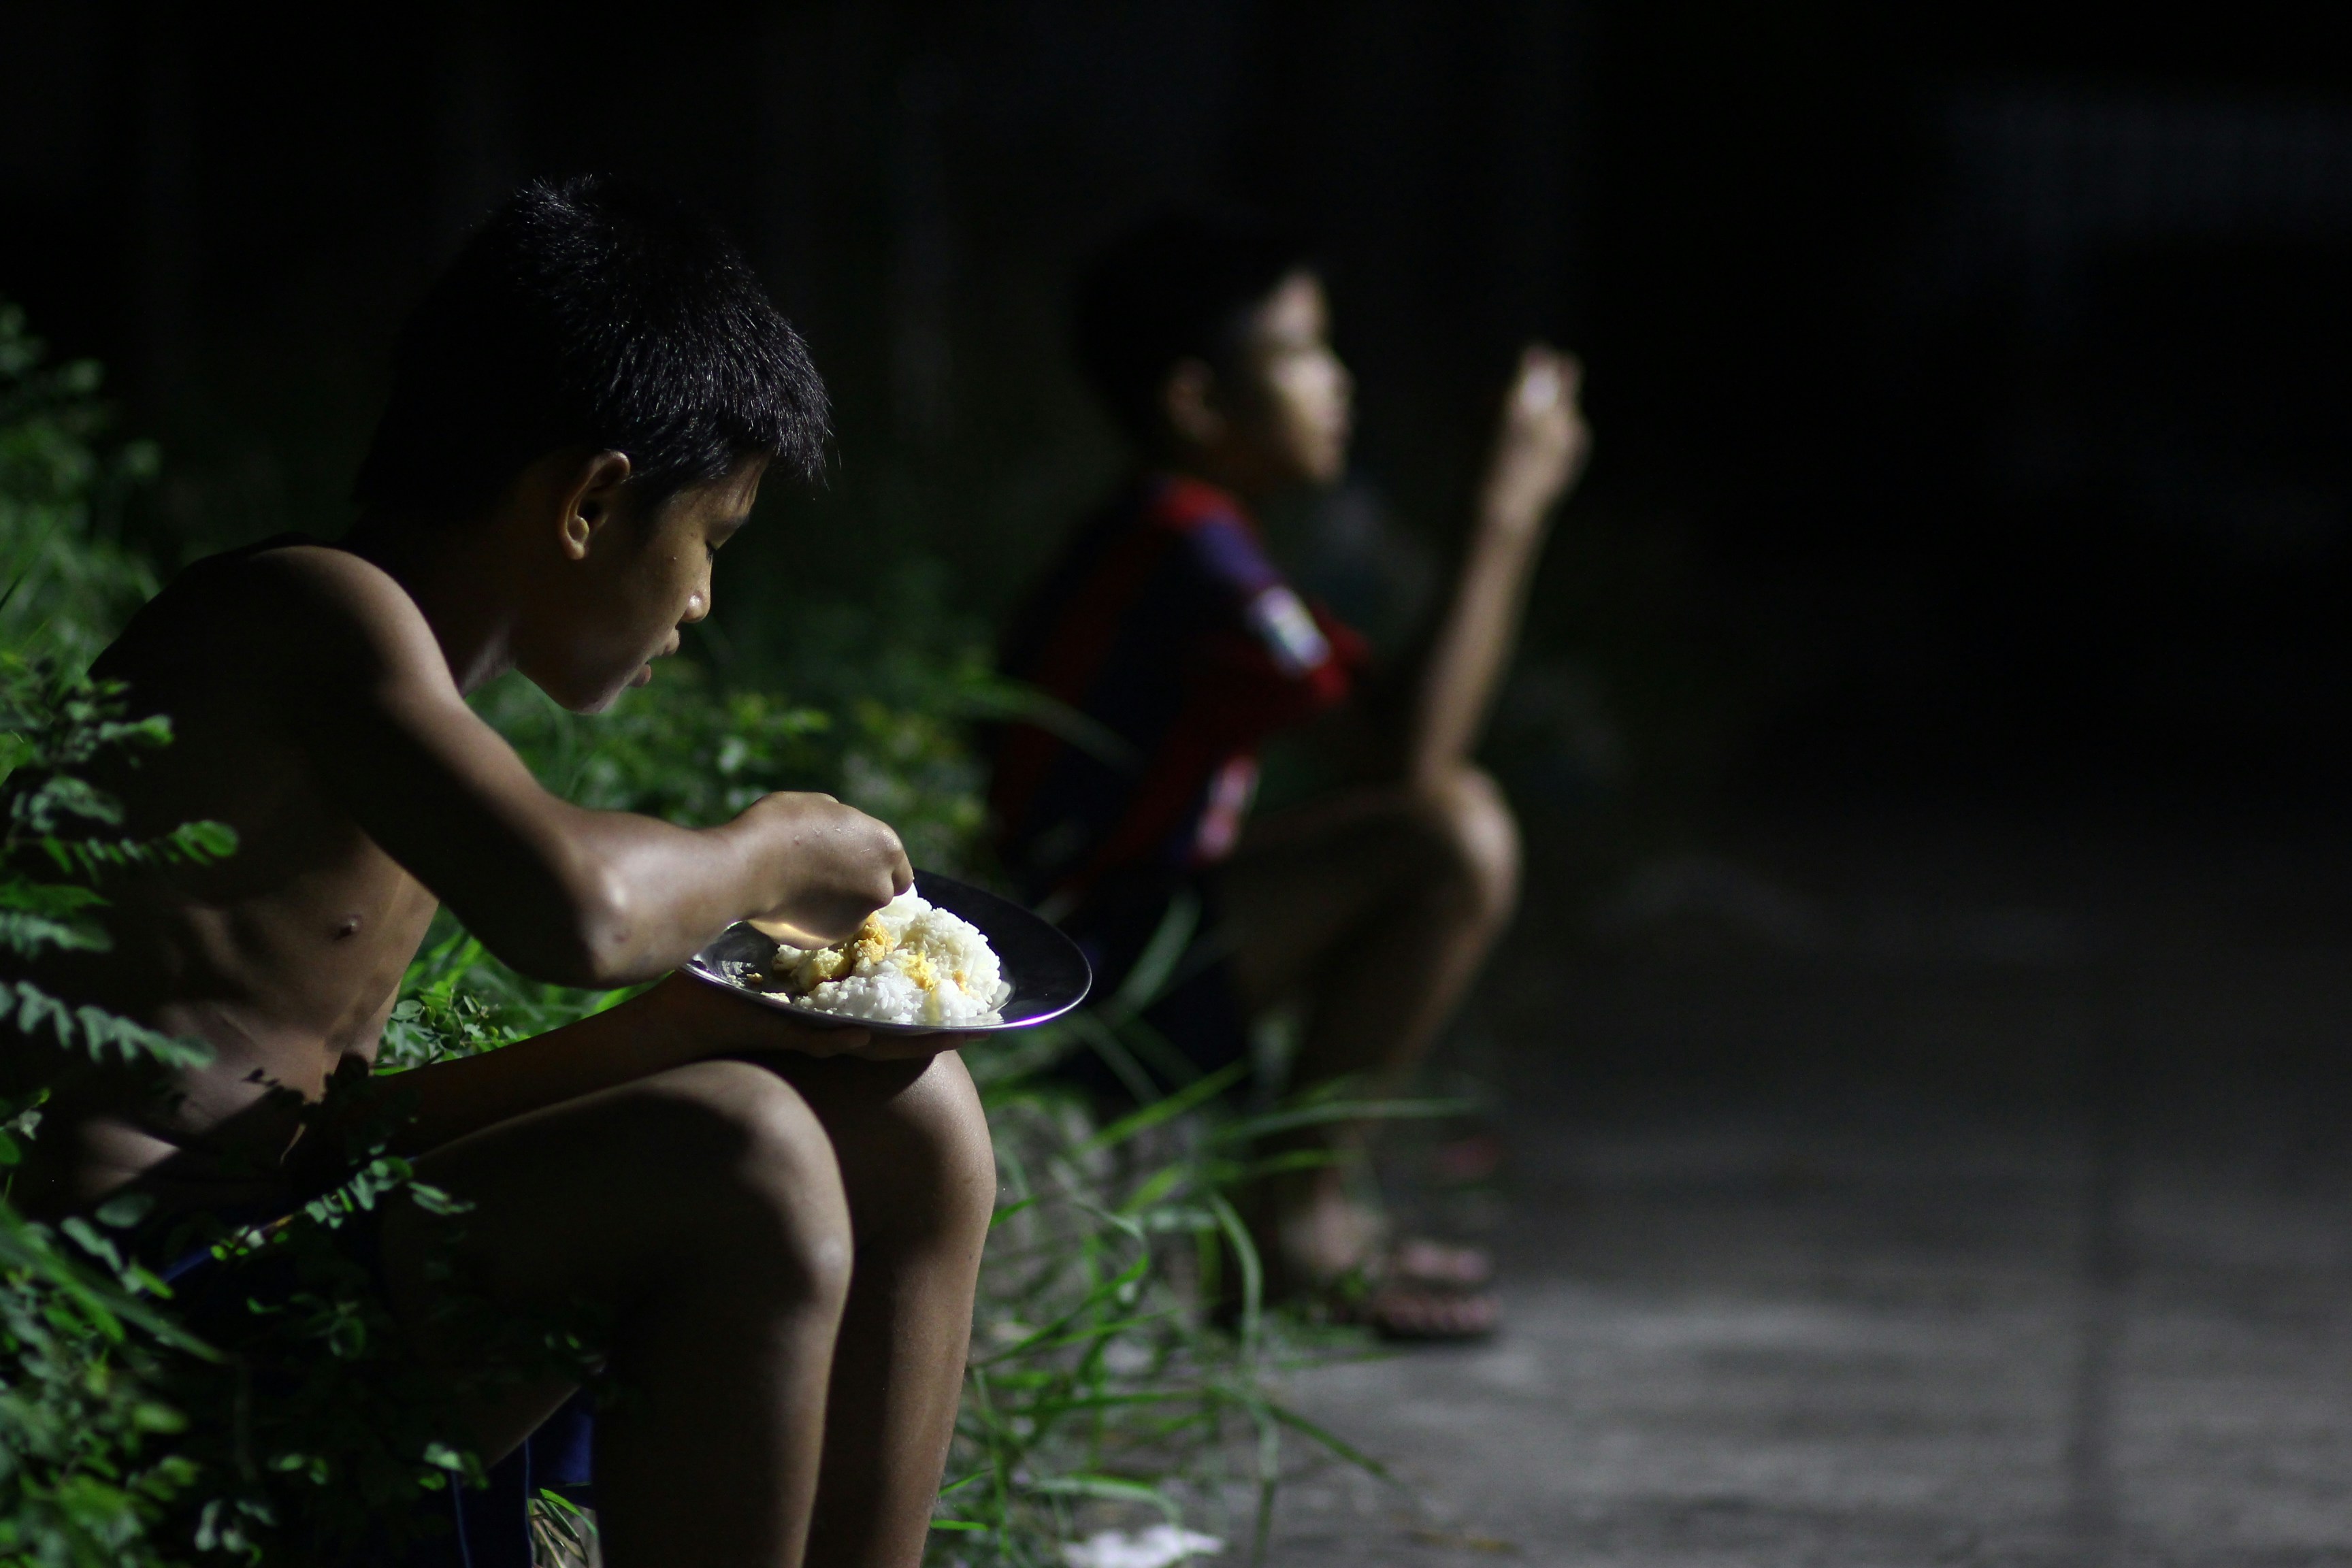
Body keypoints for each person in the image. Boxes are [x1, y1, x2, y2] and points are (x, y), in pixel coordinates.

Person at [10, 177, 992, 1568]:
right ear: (593, 501)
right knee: (750, 1158)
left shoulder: (411, 705)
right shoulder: (313, 619)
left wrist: (674, 1036)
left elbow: (314, 1142)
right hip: (127, 1330)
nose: (704, 602)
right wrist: (781, 846)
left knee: (917, 1113)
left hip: (284, 1241)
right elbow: (579, 912)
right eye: (710, 541)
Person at [992, 213, 1587, 1339]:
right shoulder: (1192, 550)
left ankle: (1303, 1205)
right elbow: (1415, 756)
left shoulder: (1184, 534)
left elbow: (1381, 737)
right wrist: (1506, 512)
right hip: (1084, 982)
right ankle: (1292, 1223)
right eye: (1305, 353)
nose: (1338, 384)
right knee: (1453, 831)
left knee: (1443, 817)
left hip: (1100, 932)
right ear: (1199, 404)